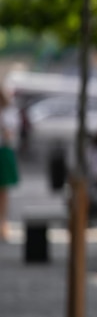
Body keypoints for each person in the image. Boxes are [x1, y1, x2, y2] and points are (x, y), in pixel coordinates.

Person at [0, 87, 19, 241]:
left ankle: (3, 223)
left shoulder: (7, 113)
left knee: (4, 191)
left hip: (3, 152)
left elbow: (10, 136)